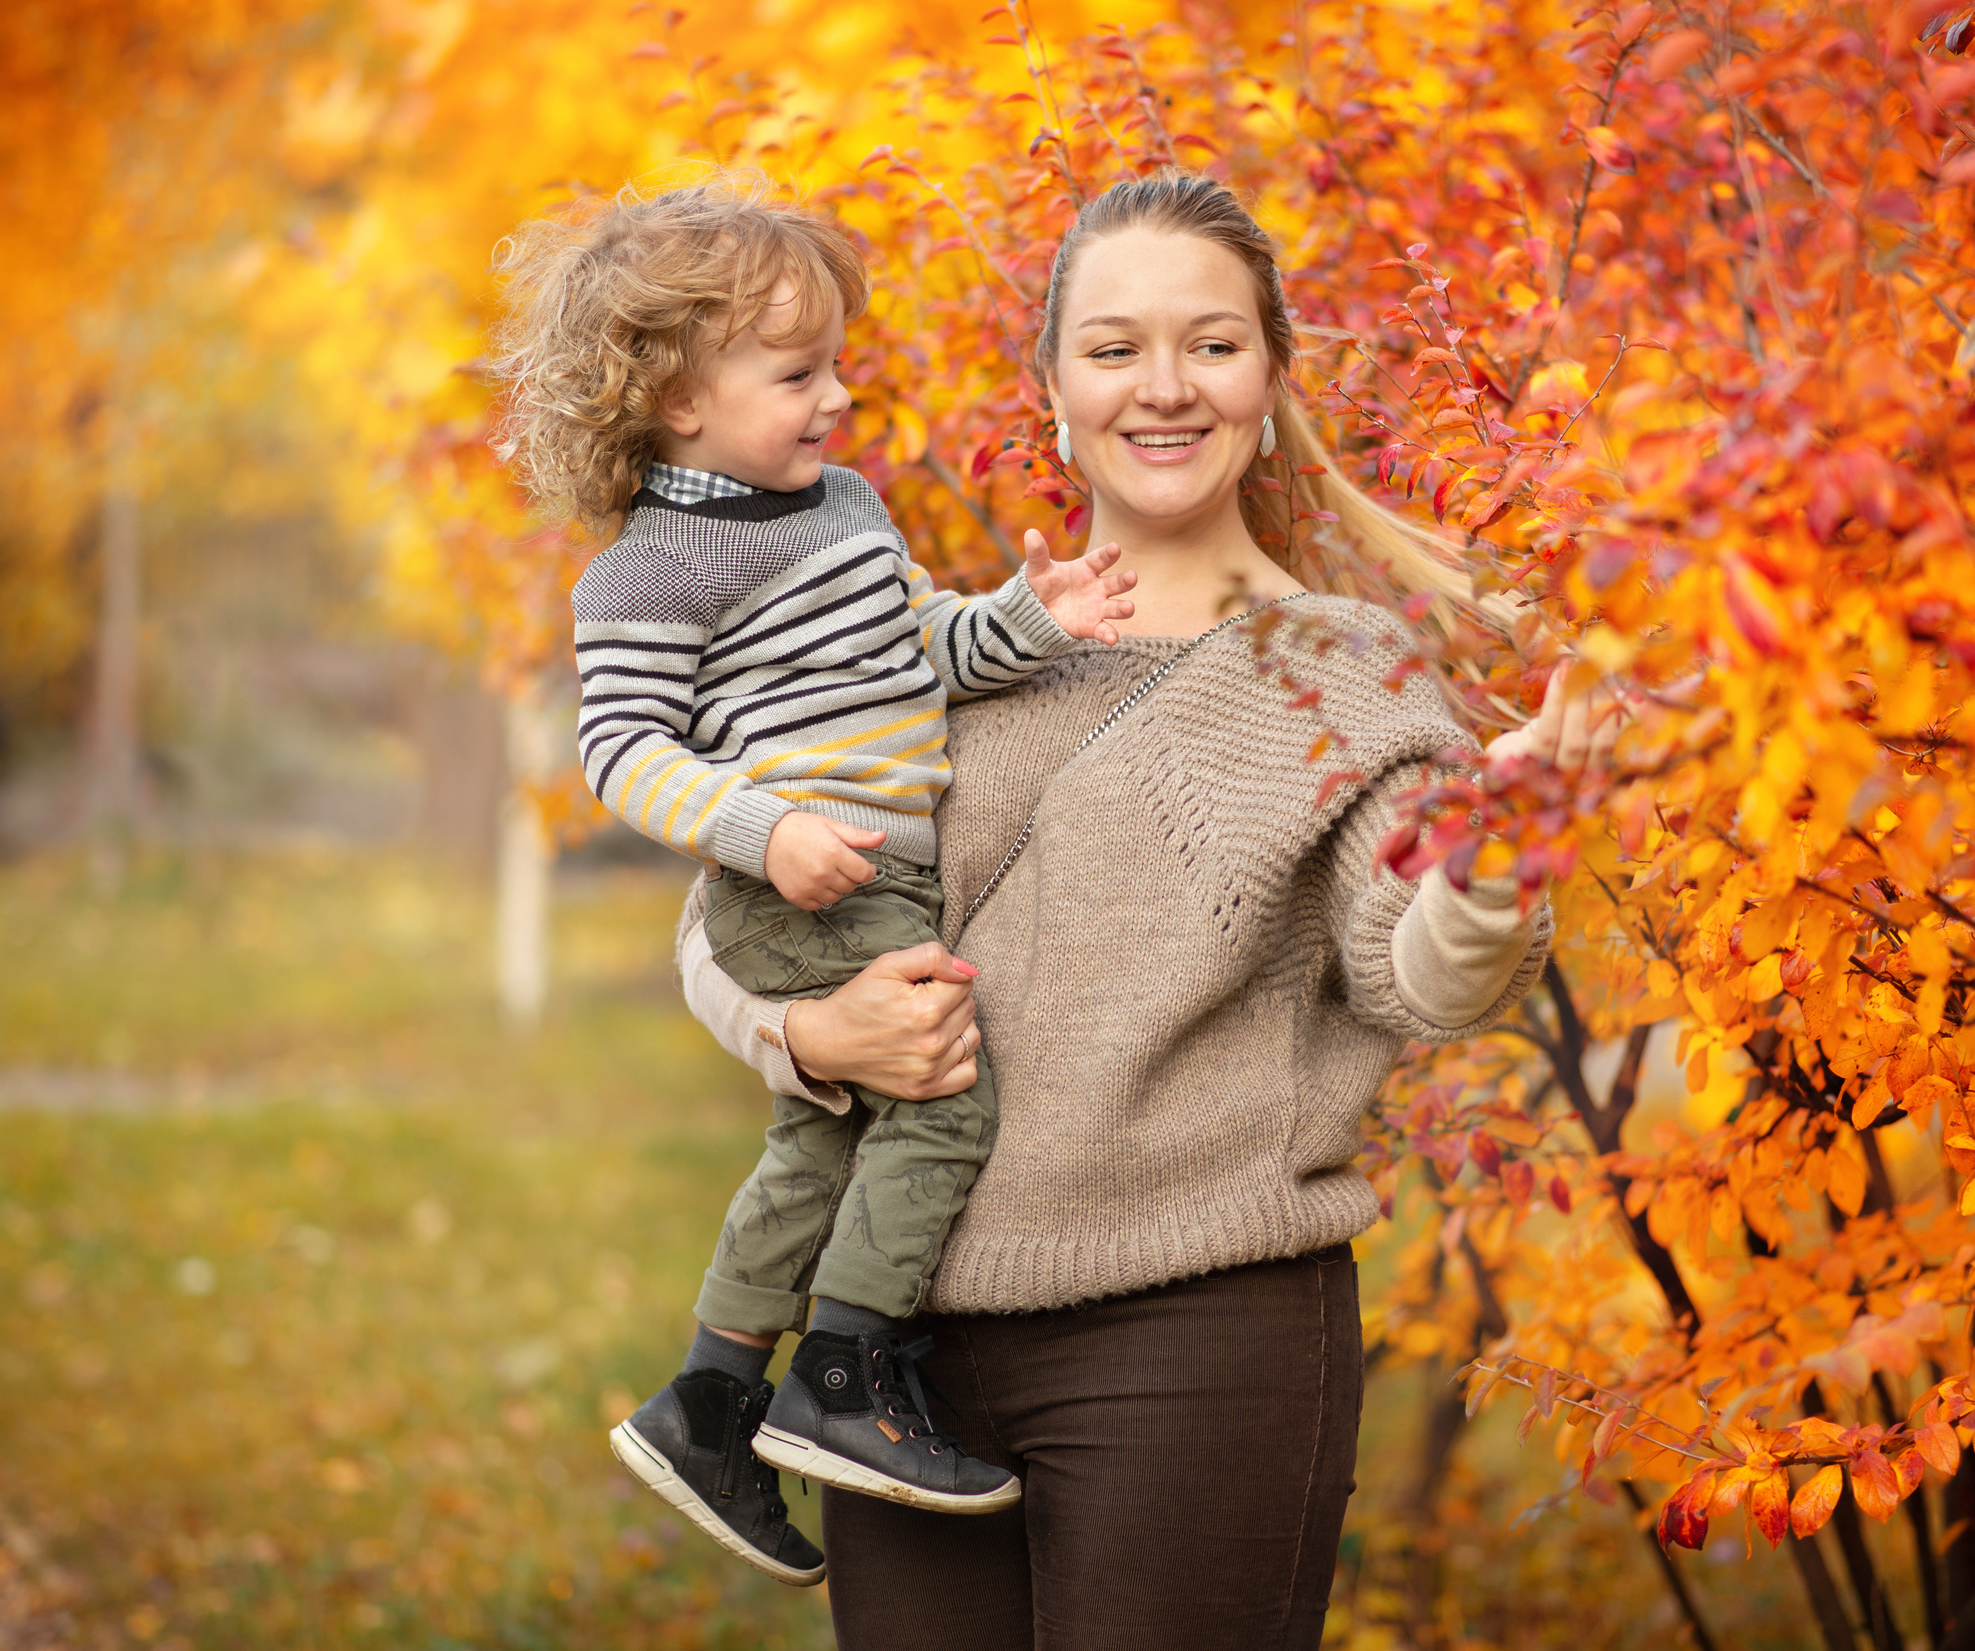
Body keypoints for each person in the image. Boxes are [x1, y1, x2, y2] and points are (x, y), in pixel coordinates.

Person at [675, 168, 1605, 1650]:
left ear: (1270, 377)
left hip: (1199, 1338)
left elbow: (1422, 974)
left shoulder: (1344, 674)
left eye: (1212, 343)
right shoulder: (934, 652)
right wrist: (810, 1028)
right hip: (890, 1357)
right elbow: (724, 916)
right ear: (1050, 385)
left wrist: (1495, 863)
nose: (1163, 387)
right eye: (1114, 347)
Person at [489, 174, 1138, 1588]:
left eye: (835, 363)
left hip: (874, 870)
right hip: (802, 887)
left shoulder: (843, 505)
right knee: (942, 1105)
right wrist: (759, 829)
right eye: (797, 373)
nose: (838, 397)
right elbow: (620, 751)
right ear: (676, 400)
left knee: (820, 1143)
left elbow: (927, 655)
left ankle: (711, 1400)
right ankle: (846, 1373)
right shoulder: (647, 574)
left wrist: (1037, 616)